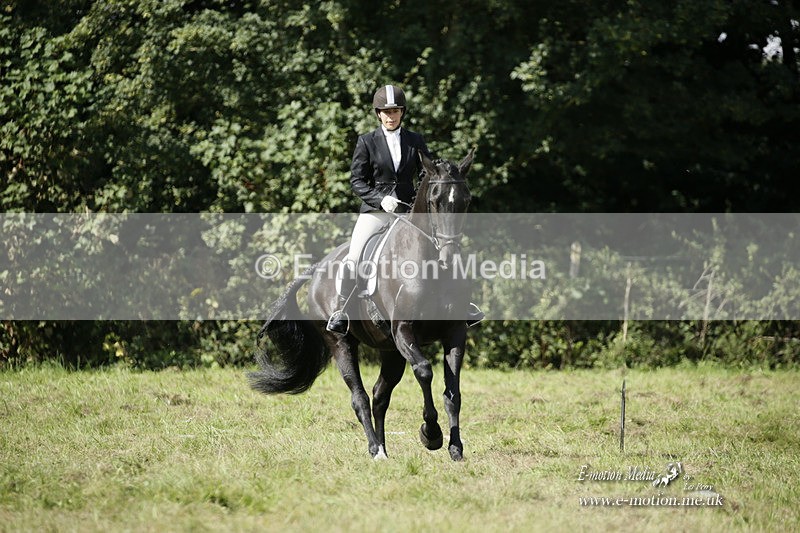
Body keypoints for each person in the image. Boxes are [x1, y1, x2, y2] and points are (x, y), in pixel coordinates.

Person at [326, 84, 483, 333]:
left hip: (409, 211)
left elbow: (426, 174)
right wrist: (380, 199)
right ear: (378, 114)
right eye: (386, 112)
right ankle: (342, 310)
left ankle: (464, 305)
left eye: (396, 111)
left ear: (402, 112)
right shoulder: (366, 142)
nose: (391, 116)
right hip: (376, 212)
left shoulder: (415, 140)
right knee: (354, 257)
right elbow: (356, 181)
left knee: (447, 246)